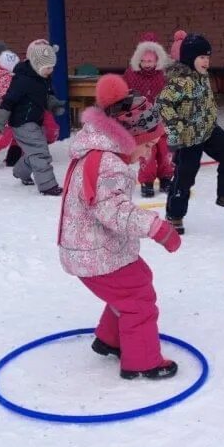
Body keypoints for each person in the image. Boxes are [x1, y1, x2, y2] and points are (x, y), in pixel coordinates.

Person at [58, 73, 182, 379]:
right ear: (131, 137)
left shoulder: (105, 154)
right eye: (148, 145)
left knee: (138, 280)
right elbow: (112, 210)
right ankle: (143, 362)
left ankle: (110, 340)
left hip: (95, 246)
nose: (149, 153)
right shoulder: (107, 163)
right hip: (93, 251)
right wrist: (157, 228)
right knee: (138, 300)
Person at [157, 33, 224, 235]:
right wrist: (178, 127)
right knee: (185, 176)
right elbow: (163, 104)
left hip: (207, 129)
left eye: (208, 58)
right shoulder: (180, 81)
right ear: (190, 58)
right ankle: (174, 215)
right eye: (201, 58)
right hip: (188, 136)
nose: (206, 62)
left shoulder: (203, 75)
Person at [0, 39, 66, 196]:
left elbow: (47, 95)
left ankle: (20, 171)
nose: (50, 70)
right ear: (37, 64)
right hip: (22, 122)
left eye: (52, 67)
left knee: (36, 151)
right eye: (47, 67)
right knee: (40, 152)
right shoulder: (23, 80)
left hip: (34, 119)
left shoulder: (43, 77)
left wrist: (54, 105)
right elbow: (9, 100)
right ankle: (48, 186)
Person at [123, 32, 174, 197]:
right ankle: (147, 181)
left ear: (157, 60)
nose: (146, 64)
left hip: (163, 118)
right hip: (142, 120)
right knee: (147, 152)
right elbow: (124, 92)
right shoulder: (131, 73)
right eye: (143, 61)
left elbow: (173, 92)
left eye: (150, 61)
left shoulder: (164, 74)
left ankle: (166, 178)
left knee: (165, 151)